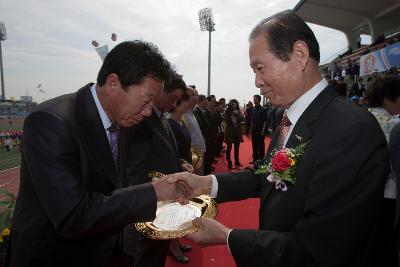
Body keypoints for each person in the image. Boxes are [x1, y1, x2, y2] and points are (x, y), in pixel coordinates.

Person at [172, 10, 390, 267]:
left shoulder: (351, 130)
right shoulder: (292, 119)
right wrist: (205, 184)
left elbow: (320, 250)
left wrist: (228, 237)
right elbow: (267, 174)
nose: (256, 82)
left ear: (299, 55)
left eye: (260, 68)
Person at [6, 41, 191, 267]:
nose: (147, 112)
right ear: (113, 83)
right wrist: (154, 192)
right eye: (146, 100)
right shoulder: (52, 122)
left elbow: (112, 189)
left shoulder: (122, 119)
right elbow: (73, 216)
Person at [125, 72, 192, 267]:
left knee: (157, 254)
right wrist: (144, 207)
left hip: (163, 204)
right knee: (145, 256)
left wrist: (179, 162)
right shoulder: (142, 119)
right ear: (162, 92)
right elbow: (135, 168)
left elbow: (161, 153)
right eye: (173, 98)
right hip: (149, 207)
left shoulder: (162, 118)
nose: (174, 104)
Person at [365, 75, 400, 267]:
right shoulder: (394, 126)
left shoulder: (356, 120)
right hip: (388, 195)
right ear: (388, 98)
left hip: (359, 195)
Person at [224, 99, 244, 169]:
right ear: (230, 104)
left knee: (236, 149)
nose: (234, 105)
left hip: (237, 133)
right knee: (229, 149)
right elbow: (226, 121)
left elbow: (242, 119)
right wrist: (231, 115)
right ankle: (229, 162)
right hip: (230, 133)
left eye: (236, 104)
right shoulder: (227, 112)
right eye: (233, 104)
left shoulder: (238, 111)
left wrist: (237, 114)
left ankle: (237, 162)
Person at [250, 94, 267, 163]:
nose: (254, 100)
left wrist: (263, 130)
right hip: (254, 129)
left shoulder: (263, 109)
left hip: (260, 130)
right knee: (254, 144)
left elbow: (265, 121)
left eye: (255, 99)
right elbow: (252, 120)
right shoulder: (253, 109)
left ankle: (262, 159)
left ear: (259, 100)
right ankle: (255, 159)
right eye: (254, 99)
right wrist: (250, 130)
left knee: (260, 145)